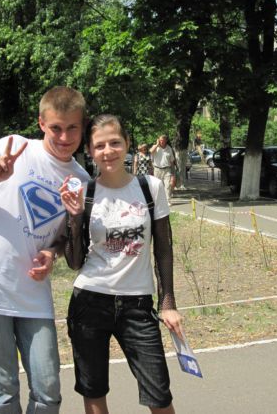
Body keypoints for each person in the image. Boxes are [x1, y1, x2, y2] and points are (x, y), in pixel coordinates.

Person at [0, 86, 89, 414]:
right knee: (5, 390)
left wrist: (51, 253)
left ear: (83, 126)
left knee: (48, 391)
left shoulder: (81, 179)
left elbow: (62, 238)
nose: (64, 137)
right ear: (41, 123)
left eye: (72, 128)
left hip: (33, 291)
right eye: (56, 127)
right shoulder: (14, 147)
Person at [59, 115, 184, 414]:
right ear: (90, 151)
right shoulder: (86, 192)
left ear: (127, 143)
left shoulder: (150, 187)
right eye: (99, 145)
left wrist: (167, 302)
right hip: (89, 302)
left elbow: (163, 248)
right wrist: (73, 217)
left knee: (159, 394)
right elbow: (74, 262)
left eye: (115, 143)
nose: (108, 151)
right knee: (93, 390)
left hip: (137, 306)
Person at [150, 135, 177, 206]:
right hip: (157, 169)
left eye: (163, 140)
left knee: (168, 186)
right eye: (160, 140)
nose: (162, 142)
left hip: (167, 169)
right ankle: (157, 201)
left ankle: (167, 200)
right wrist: (157, 144)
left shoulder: (169, 148)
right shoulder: (155, 147)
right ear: (158, 140)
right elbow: (151, 151)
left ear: (166, 141)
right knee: (157, 185)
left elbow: (172, 161)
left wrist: (173, 173)